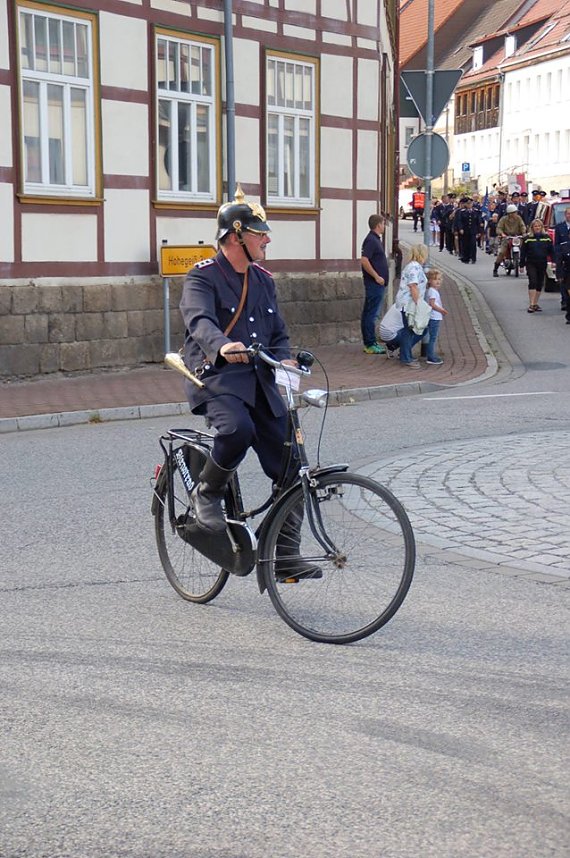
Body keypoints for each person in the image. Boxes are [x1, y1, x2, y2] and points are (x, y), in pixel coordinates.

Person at [179, 184, 320, 580]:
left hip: (259, 377)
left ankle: (284, 555)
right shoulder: (202, 277)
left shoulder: (263, 279)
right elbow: (199, 322)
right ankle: (206, 494)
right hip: (218, 376)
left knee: (294, 464)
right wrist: (222, 346)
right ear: (236, 235)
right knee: (237, 429)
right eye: (260, 233)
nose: (267, 239)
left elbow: (277, 330)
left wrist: (286, 358)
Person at [394, 244, 430, 368]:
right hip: (409, 303)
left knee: (414, 329)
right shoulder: (415, 267)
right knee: (411, 329)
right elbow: (413, 286)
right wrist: (418, 304)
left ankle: (405, 352)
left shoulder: (413, 266)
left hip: (407, 302)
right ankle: (405, 357)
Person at [360, 214, 388, 354]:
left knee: (370, 313)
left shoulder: (375, 239)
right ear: (378, 225)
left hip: (377, 284)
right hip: (374, 284)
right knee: (371, 314)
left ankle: (370, 342)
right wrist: (377, 277)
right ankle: (370, 343)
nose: (384, 226)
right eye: (383, 223)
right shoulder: (371, 240)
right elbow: (364, 260)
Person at [520, 219, 554, 313]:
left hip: (542, 263)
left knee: (539, 283)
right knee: (533, 281)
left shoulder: (547, 238)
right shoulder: (527, 239)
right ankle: (531, 304)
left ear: (542, 227)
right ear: (532, 228)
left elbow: (552, 251)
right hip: (531, 263)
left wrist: (554, 261)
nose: (537, 228)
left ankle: (535, 303)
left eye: (539, 226)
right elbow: (523, 253)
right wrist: (521, 265)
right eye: (535, 226)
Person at [493, 204, 526, 276]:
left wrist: (524, 233)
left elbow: (522, 226)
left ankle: (524, 265)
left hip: (517, 237)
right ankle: (495, 269)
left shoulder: (518, 218)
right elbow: (499, 228)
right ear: (510, 213)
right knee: (502, 252)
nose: (515, 214)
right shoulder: (503, 219)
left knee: (525, 249)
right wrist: (502, 234)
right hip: (506, 238)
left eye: (516, 212)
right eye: (514, 212)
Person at [425, 269, 448, 365]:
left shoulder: (431, 291)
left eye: (439, 279)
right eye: (435, 279)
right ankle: (431, 356)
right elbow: (432, 304)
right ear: (430, 281)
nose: (438, 281)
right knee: (433, 337)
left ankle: (430, 354)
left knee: (431, 336)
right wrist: (442, 310)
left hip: (433, 316)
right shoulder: (432, 291)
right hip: (434, 317)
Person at [457, 197, 483, 263]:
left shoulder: (476, 211)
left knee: (473, 244)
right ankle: (466, 258)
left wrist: (479, 231)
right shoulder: (462, 212)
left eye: (470, 203)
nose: (469, 205)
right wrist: (460, 228)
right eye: (468, 203)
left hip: (473, 231)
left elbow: (478, 222)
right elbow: (459, 221)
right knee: (465, 244)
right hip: (465, 230)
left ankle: (473, 258)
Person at [554, 206, 570, 312]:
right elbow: (557, 244)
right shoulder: (560, 227)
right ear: (565, 215)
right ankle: (564, 301)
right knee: (563, 281)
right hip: (563, 258)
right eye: (568, 214)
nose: (569, 216)